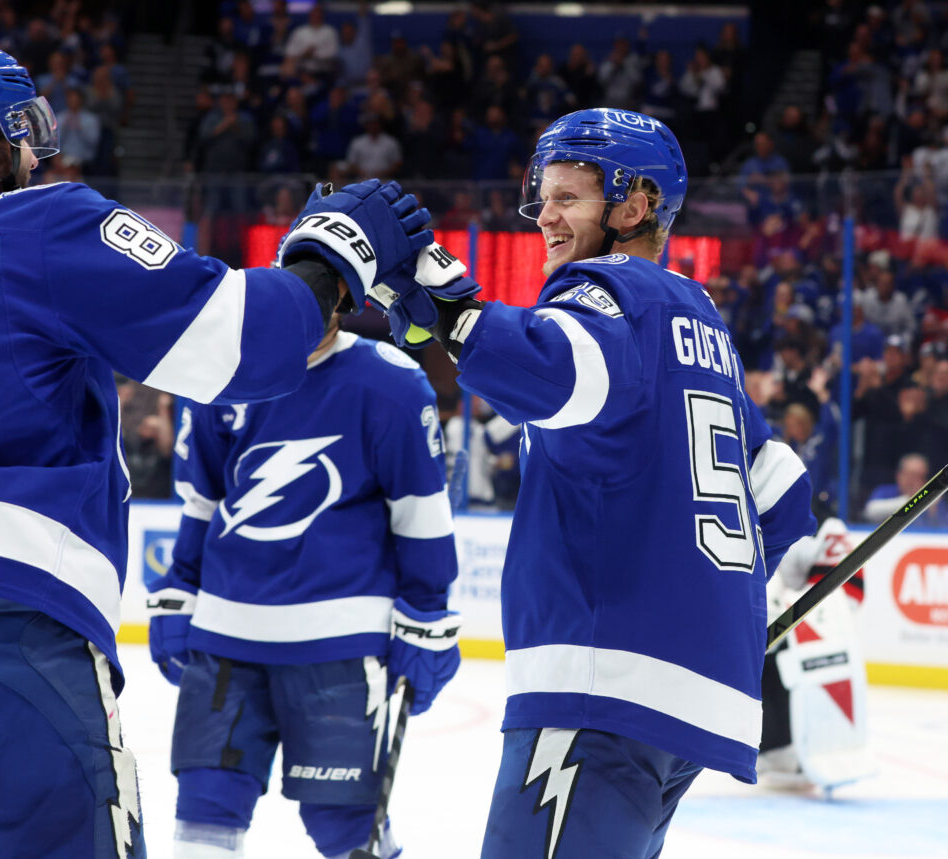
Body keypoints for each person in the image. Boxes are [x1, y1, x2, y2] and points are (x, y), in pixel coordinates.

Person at [0, 36, 431, 859]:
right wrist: (332, 260)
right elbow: (234, 346)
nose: (35, 151)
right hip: (12, 661)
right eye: (22, 129)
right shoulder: (42, 225)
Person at [370, 108, 816, 857]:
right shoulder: (697, 315)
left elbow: (552, 367)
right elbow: (781, 490)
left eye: (568, 197)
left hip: (602, 689)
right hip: (680, 706)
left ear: (634, 205)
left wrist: (449, 304)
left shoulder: (605, 292)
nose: (543, 215)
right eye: (542, 196)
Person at [147, 310, 460, 859]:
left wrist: (427, 613)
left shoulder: (389, 381)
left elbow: (420, 512)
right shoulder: (224, 369)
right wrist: (180, 588)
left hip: (339, 645)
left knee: (343, 823)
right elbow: (202, 499)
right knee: (204, 809)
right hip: (224, 635)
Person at [759, 517, 873, 791]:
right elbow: (854, 596)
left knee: (769, 663)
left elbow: (781, 581)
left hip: (811, 617)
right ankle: (793, 745)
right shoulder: (833, 537)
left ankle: (777, 748)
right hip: (835, 622)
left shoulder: (794, 537)